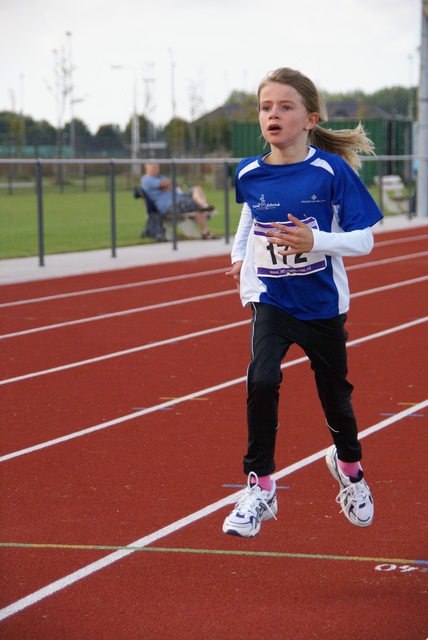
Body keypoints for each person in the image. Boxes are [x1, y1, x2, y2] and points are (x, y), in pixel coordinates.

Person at [222, 67, 383, 538]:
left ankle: (349, 470)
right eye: (266, 107)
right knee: (262, 377)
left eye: (285, 106)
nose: (273, 114)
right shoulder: (249, 172)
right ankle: (260, 486)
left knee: (336, 399)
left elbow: (364, 241)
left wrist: (316, 240)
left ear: (310, 118)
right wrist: (238, 258)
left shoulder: (331, 171)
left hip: (323, 305)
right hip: (272, 299)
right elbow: (251, 215)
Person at [140, 163, 218, 239]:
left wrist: (167, 186)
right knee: (196, 205)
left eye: (157, 167)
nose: (156, 169)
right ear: (147, 168)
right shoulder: (146, 179)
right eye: (153, 167)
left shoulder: (161, 177)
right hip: (169, 205)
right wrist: (167, 185)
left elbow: (175, 183)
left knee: (196, 189)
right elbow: (165, 184)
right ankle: (205, 232)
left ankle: (204, 205)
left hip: (179, 199)